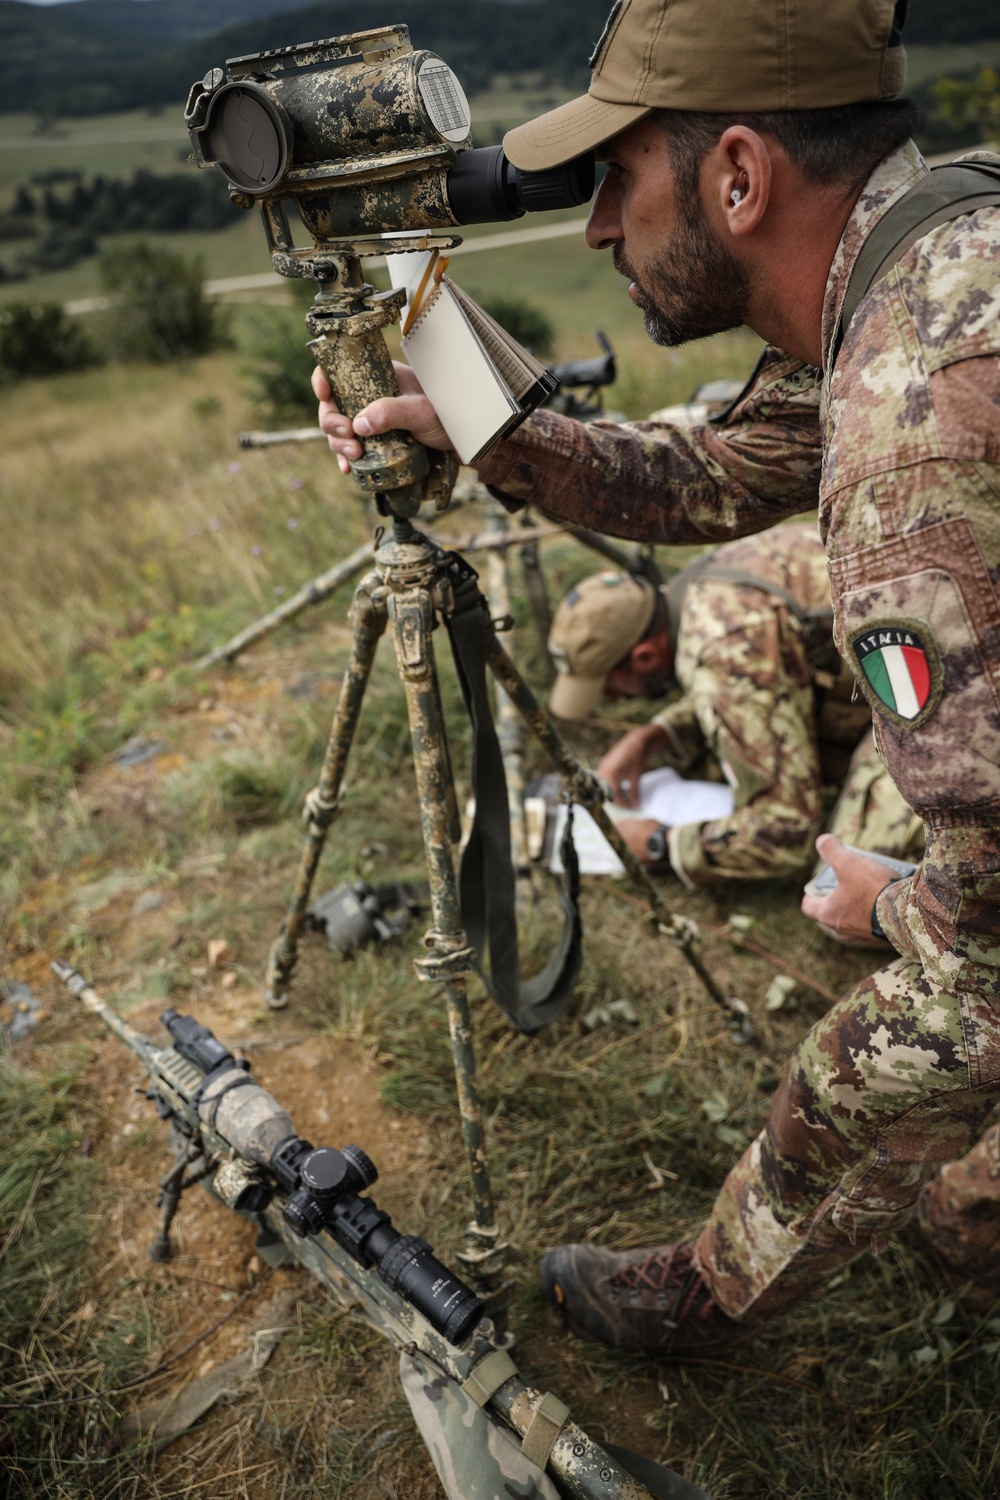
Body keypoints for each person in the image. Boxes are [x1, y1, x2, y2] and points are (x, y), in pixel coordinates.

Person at [315, 0, 1000, 1359]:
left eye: (619, 180)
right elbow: (716, 468)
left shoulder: (913, 430)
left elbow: (981, 970)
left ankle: (701, 1302)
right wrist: (479, 423)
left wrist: (724, 1260)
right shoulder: (932, 259)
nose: (590, 229)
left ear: (740, 177)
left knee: (949, 1181)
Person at [545, 522, 922, 883]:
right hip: (906, 658)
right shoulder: (703, 587)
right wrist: (653, 736)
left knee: (844, 884)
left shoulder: (721, 648)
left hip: (940, 695)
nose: (612, 700)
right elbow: (756, 681)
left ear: (644, 657)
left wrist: (659, 843)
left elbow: (787, 831)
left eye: (608, 686)